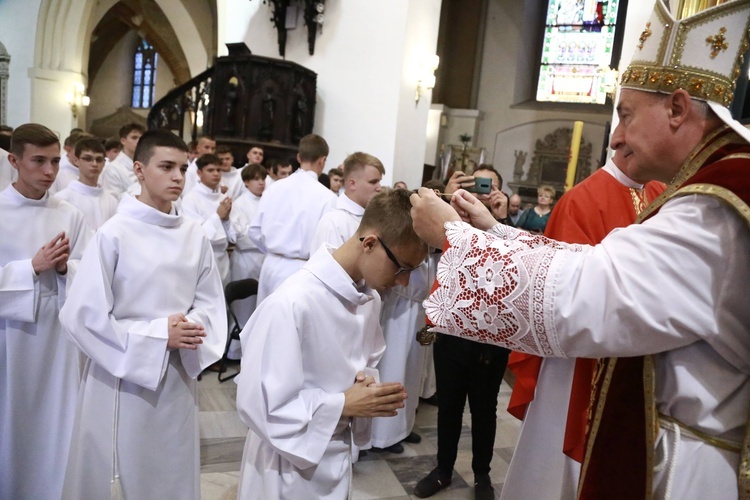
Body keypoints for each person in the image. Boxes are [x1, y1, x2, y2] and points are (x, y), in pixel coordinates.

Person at [409, 2, 750, 497]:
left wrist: (452, 238)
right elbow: (600, 266)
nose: (617, 136)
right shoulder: (717, 188)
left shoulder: (716, 206)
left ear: (677, 109)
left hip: (689, 465)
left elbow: (588, 296)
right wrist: (493, 232)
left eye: (627, 115)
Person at [59, 129, 227, 500]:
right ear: (138, 169)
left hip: (178, 373)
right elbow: (81, 316)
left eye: (183, 168)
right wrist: (155, 336)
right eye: (166, 167)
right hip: (123, 374)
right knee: (123, 468)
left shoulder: (194, 234)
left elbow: (211, 302)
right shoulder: (114, 233)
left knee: (170, 467)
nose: (177, 177)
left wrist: (191, 327)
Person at [235, 189, 426, 499]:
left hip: (334, 448)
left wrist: (368, 391)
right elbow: (259, 406)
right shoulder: (292, 303)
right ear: (370, 243)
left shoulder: (369, 300)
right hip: (285, 465)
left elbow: (363, 364)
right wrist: (344, 404)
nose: (403, 281)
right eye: (401, 267)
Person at [501, 150, 665, 500]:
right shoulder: (581, 200)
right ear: (624, 140)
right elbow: (562, 297)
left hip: (638, 358)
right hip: (576, 364)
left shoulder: (660, 192)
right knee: (557, 473)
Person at [0, 123, 91, 499]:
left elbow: (90, 272)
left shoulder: (70, 213)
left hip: (58, 338)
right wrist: (30, 268)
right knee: (14, 423)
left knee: (57, 422)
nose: (50, 172)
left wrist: (68, 268)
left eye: (55, 161)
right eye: (38, 161)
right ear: (14, 161)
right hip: (11, 340)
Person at [413, 165, 510, 500]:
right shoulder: (451, 222)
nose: (482, 191)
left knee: (484, 408)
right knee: (450, 404)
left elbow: (513, 263)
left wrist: (501, 220)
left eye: (489, 185)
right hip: (453, 328)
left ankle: (482, 474)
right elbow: (424, 235)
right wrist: (446, 201)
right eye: (475, 185)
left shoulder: (504, 227)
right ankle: (443, 470)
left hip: (491, 334)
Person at [249, 134, 337, 303]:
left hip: (270, 265)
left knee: (266, 324)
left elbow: (254, 231)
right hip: (301, 269)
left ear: (298, 157)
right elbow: (326, 243)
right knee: (290, 325)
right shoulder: (327, 197)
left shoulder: (273, 188)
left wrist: (274, 250)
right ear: (322, 161)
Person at [310, 152, 384, 253]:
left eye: (379, 181)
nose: (379, 188)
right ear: (352, 184)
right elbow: (327, 266)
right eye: (373, 182)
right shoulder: (334, 222)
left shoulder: (374, 217)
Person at [181, 153, 236, 285]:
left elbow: (233, 237)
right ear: (199, 173)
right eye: (210, 170)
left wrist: (227, 220)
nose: (216, 174)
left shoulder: (223, 197)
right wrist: (217, 216)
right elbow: (197, 234)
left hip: (223, 257)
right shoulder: (190, 199)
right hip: (203, 258)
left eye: (218, 170)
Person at [54, 137, 120, 231]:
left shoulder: (112, 200)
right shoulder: (63, 199)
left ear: (104, 163)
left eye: (99, 159)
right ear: (76, 160)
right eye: (88, 159)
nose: (94, 164)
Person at [101, 123, 145, 195]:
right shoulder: (112, 169)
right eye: (134, 138)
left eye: (141, 138)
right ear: (123, 141)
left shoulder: (146, 164)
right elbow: (114, 199)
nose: (139, 141)